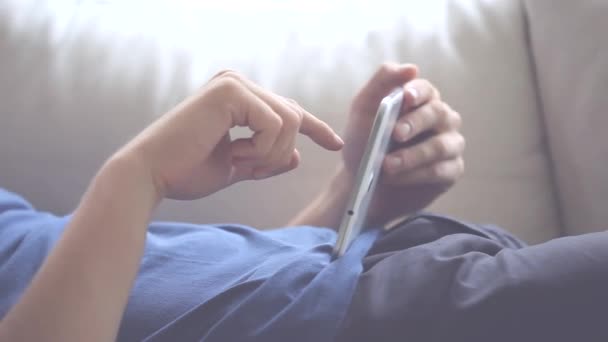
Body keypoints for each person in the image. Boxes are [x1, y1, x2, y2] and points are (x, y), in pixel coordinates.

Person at [0, 63, 606, 342]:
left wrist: (357, 196)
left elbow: (212, 299)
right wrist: (136, 176)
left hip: (386, 279)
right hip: (381, 316)